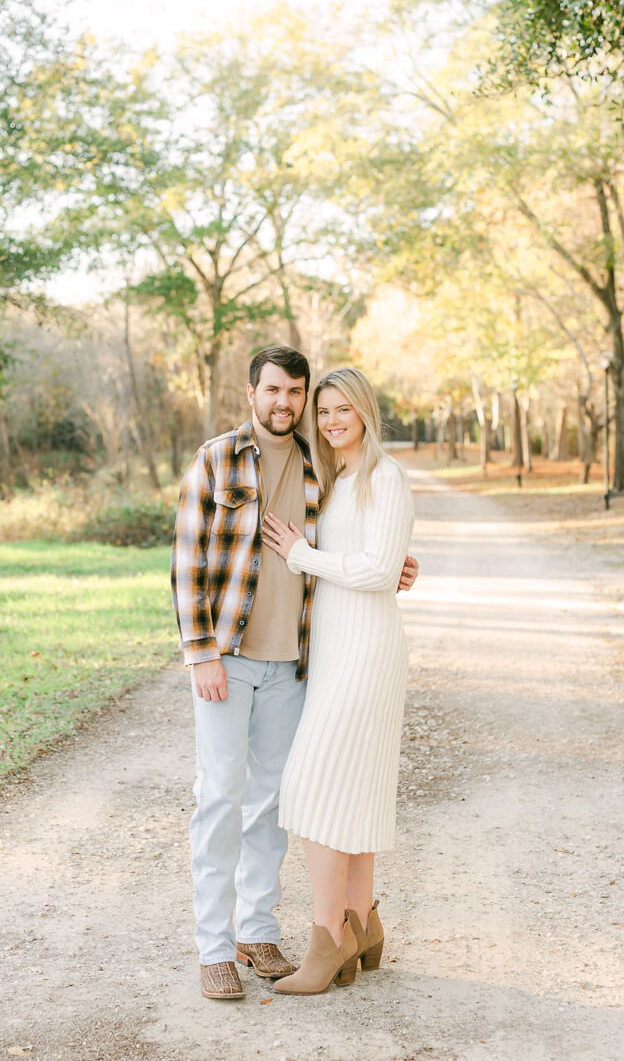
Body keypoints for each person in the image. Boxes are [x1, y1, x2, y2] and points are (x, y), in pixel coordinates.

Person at [171, 346, 418, 1000]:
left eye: (296, 394)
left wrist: (395, 566)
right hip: (228, 658)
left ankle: (257, 932)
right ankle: (214, 949)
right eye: (273, 390)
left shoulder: (320, 470)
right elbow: (188, 560)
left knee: (276, 805)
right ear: (250, 391)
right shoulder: (218, 458)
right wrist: (200, 651)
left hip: (295, 665)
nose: (286, 403)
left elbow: (349, 549)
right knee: (221, 798)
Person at [261, 367, 415, 995]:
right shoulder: (338, 480)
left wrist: (303, 554)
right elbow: (376, 560)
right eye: (321, 411)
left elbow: (378, 571)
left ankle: (326, 940)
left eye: (340, 408)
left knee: (314, 786)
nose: (329, 421)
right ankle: (363, 925)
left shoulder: (386, 476)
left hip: (367, 652)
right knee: (345, 792)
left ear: (365, 411)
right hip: (334, 651)